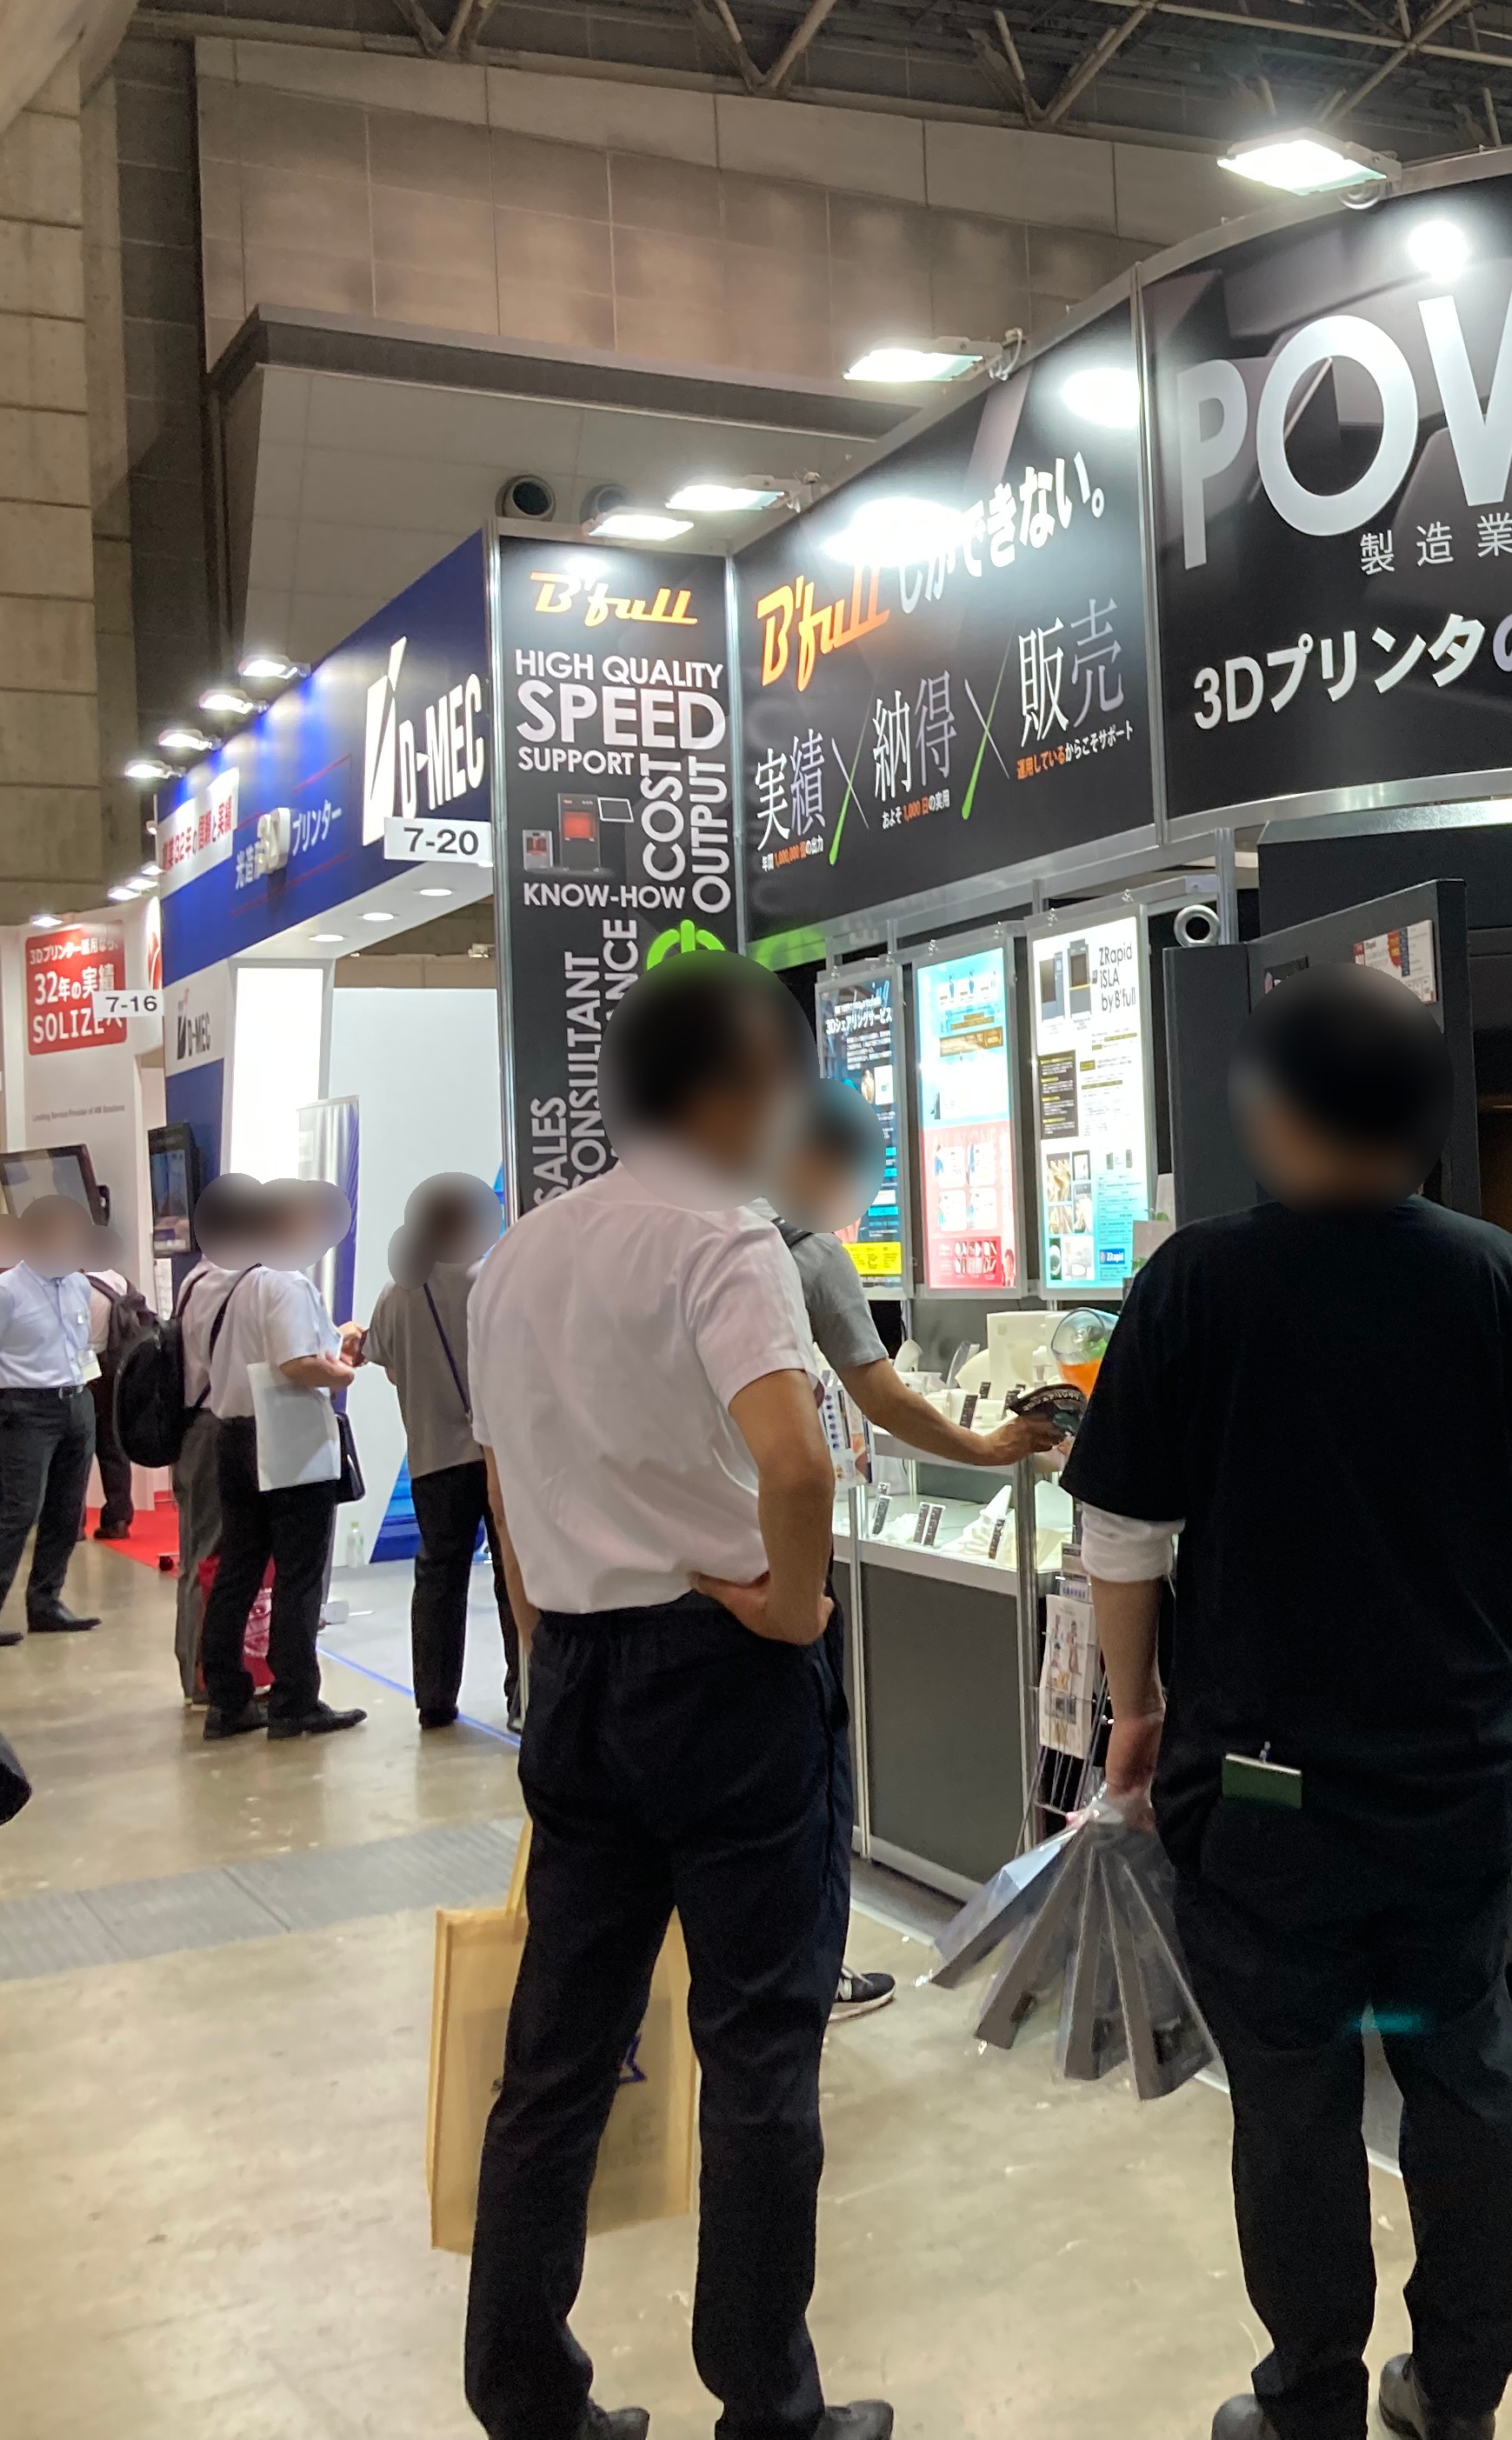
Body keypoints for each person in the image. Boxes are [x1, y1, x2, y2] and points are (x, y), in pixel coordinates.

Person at [1065, 964, 1512, 2440]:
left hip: (1262, 1780)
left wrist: (1135, 1707)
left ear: (1275, 1112)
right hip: (1449, 1774)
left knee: (1291, 2087)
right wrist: (1461, 1678)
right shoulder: (1493, 1274)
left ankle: (1307, 2399)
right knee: (1460, 2061)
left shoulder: (1197, 1281)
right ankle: (1459, 2389)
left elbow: (1124, 1535)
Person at [462, 951, 887, 2440]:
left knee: (558, 2053)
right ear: (730, 1089)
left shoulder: (519, 1253)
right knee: (759, 2042)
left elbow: (508, 1484)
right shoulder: (721, 1241)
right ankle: (766, 2402)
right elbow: (797, 1461)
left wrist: (546, 1645)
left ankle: (525, 2391)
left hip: (578, 1671)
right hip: (723, 1673)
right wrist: (795, 1603)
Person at [764, 1081, 1060, 2024]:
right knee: (807, 1784)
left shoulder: (696, 1235)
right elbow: (883, 1399)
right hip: (779, 1563)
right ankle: (811, 1975)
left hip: (676, 1573)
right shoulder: (807, 1253)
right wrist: (989, 1447)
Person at [196, 1181, 365, 1741]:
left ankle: (227, 1698)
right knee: (299, 1573)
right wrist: (342, 1372)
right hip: (285, 1437)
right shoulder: (287, 1282)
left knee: (239, 1568)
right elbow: (296, 1364)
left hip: (235, 1435)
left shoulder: (239, 1280)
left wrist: (330, 1344)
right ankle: (295, 1699)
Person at [363, 1175, 519, 1732]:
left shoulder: (397, 1293)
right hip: (501, 1456)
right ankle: (523, 1695)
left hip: (432, 1457)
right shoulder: (495, 1282)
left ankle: (434, 1700)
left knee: (438, 1577)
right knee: (513, 1576)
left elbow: (387, 1365)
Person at [169, 1176, 262, 1710]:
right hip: (219, 1427)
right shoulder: (240, 1282)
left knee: (196, 1554)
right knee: (216, 1556)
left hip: (191, 1430)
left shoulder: (196, 1279)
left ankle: (197, 1670)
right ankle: (210, 1674)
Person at [0, 1197, 104, 1640]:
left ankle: (46, 1603)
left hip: (76, 1401)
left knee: (67, 1509)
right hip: (25, 1409)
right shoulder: (8, 1291)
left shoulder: (79, 1285)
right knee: (18, 1511)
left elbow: (81, 1345)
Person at [84, 1238, 144, 1544]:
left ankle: (72, 1521)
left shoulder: (78, 1286)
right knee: (114, 1446)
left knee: (77, 1449)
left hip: (85, 1369)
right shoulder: (123, 1284)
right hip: (119, 1371)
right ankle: (118, 1517)